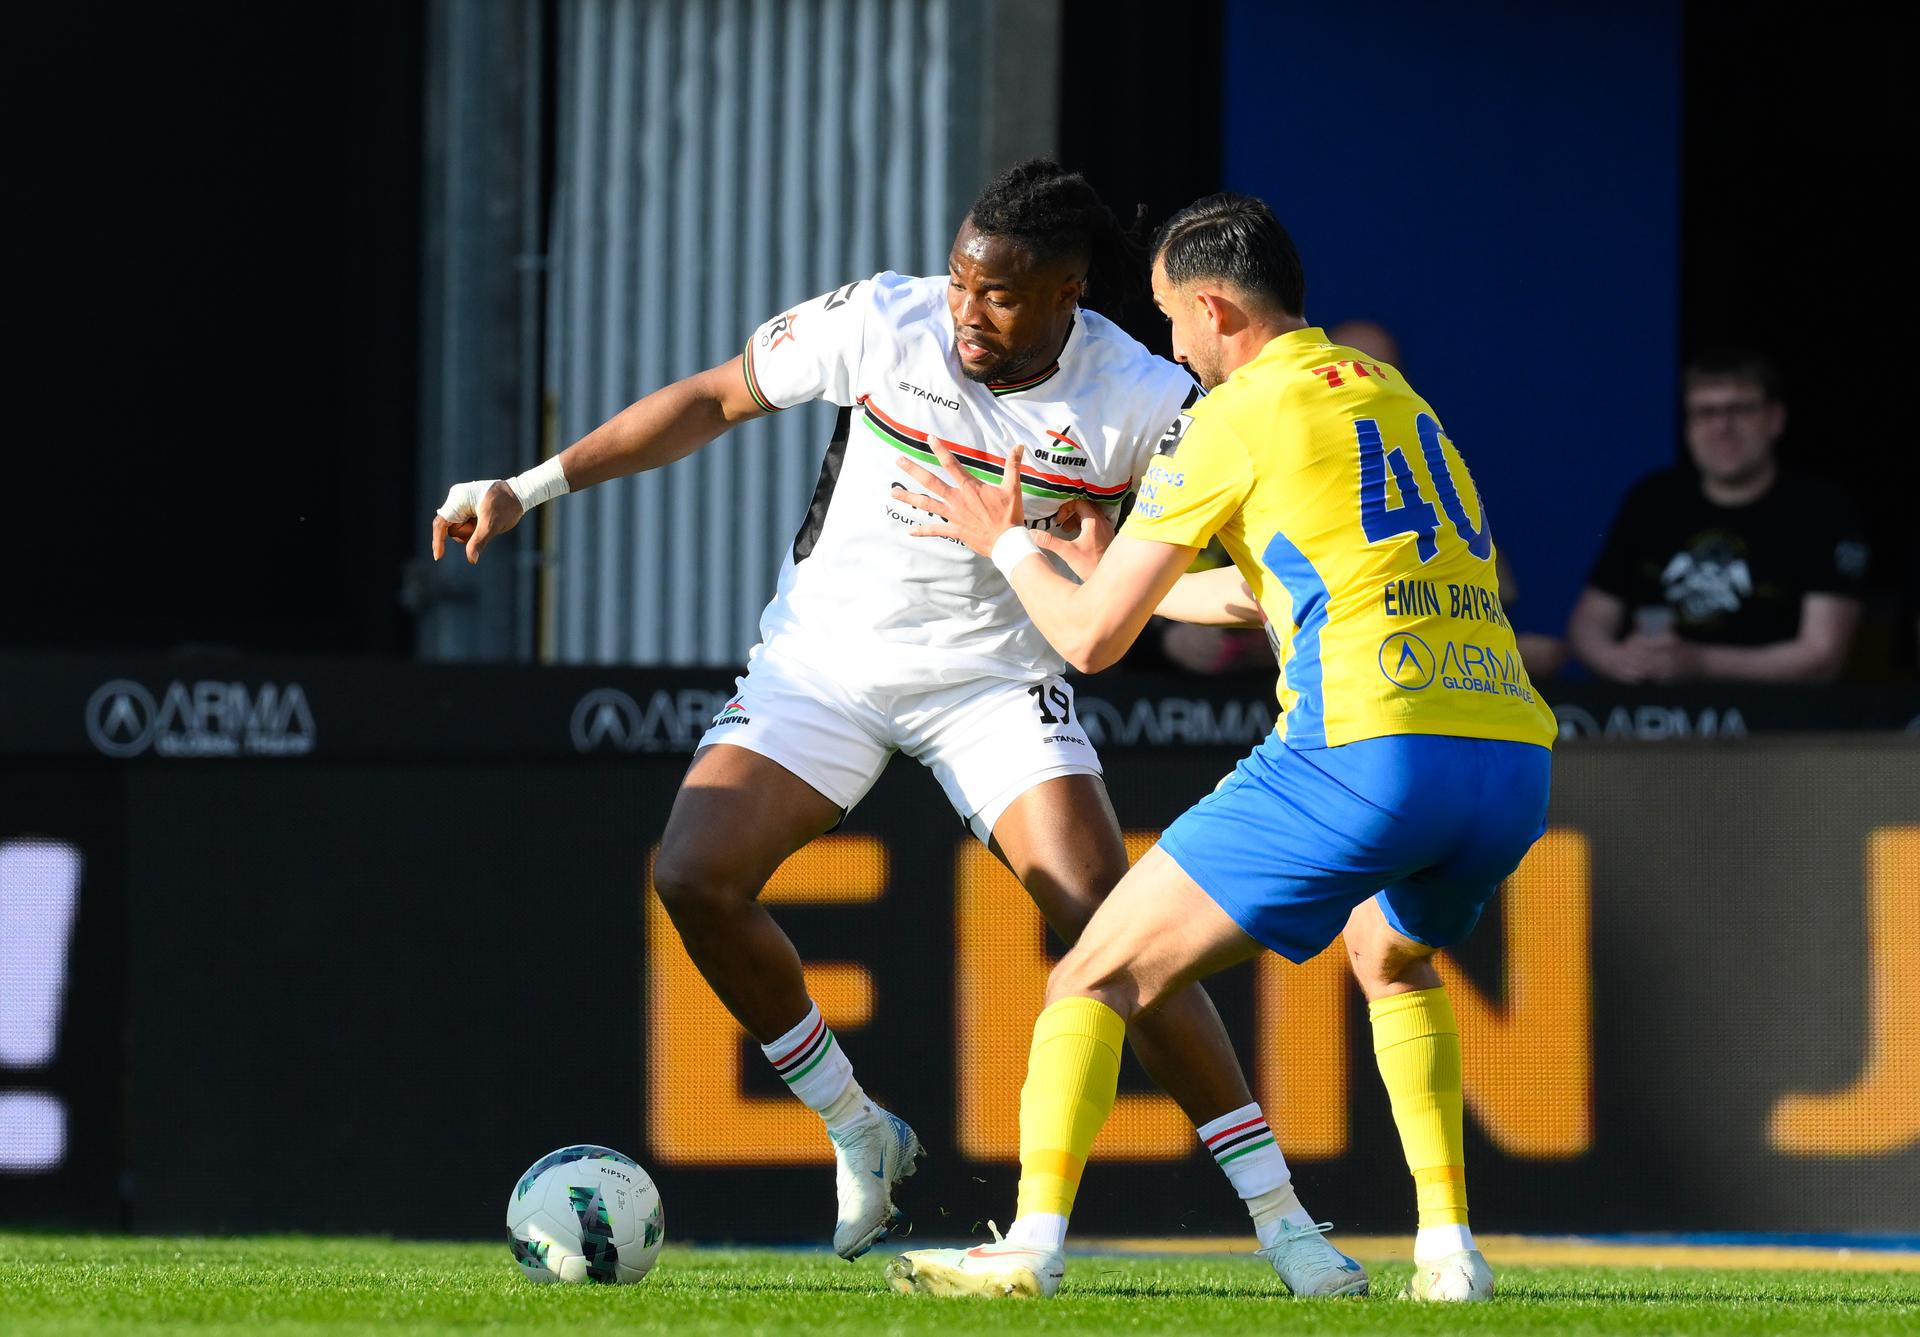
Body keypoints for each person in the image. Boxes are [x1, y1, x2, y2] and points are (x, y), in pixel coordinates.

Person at [430, 162, 1361, 1293]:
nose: (969, 308)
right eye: (964, 280)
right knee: (694, 875)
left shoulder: (1144, 397)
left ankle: (1285, 1221)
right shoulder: (883, 318)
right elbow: (713, 398)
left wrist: (1290, 601)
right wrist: (525, 490)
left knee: (1114, 932)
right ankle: (859, 1125)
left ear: (1071, 292)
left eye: (1003, 294)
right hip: (823, 662)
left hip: (995, 683)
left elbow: (1161, 578)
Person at [884, 192, 1555, 1302]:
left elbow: (1090, 641)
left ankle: (1029, 1248)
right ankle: (1449, 1251)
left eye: (1168, 319)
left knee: (1094, 970)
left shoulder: (1233, 416)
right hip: (1509, 760)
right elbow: (1272, 591)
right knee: (1388, 953)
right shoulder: (1393, 394)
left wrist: (1008, 546)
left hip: (1366, 752)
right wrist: (1115, 574)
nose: (1169, 347)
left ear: (1212, 307)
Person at [1567, 350, 1869, 682]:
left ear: (1775, 418)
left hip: (1777, 722)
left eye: (1740, 410)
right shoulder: (1653, 499)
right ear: (1688, 426)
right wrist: (1618, 660)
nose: (1722, 426)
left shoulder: (1822, 509)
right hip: (1655, 721)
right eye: (1705, 412)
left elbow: (1822, 655)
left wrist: (1700, 663)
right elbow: (1588, 624)